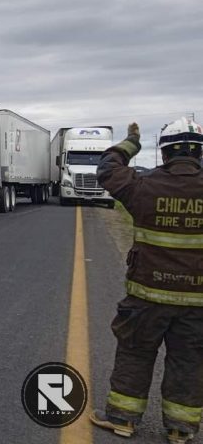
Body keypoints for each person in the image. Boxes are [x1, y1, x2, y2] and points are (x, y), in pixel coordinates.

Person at [90, 118, 203, 444]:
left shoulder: (143, 186)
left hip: (146, 297)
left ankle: (123, 420)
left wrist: (130, 143)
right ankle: (180, 429)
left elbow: (108, 168)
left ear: (164, 154)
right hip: (197, 304)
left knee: (135, 353)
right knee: (190, 360)